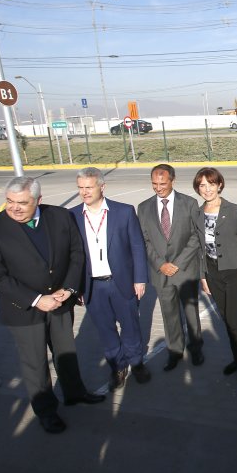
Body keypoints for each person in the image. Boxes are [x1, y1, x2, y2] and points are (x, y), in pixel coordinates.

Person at [0, 176, 105, 434]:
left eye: (22, 203)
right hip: (23, 309)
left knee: (66, 351)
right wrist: (36, 299)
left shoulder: (59, 216)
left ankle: (75, 393)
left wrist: (68, 289)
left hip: (60, 302)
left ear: (38, 200)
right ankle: (46, 411)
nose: (15, 208)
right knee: (35, 363)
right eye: (10, 202)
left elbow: (76, 254)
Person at [70, 167, 151, 391]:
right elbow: (72, 256)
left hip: (122, 282)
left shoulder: (124, 212)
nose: (84, 192)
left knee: (131, 326)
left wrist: (140, 278)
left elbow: (137, 246)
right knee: (105, 329)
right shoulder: (73, 215)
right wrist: (76, 288)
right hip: (92, 286)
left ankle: (137, 362)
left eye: (88, 187)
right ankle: (117, 366)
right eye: (80, 188)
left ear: (101, 187)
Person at [137, 164, 205, 371]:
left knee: (190, 311)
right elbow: (144, 240)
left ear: (172, 180)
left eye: (163, 183)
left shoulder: (189, 203)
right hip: (161, 273)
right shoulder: (143, 207)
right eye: (154, 184)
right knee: (169, 313)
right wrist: (160, 264)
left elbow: (196, 236)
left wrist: (178, 263)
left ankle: (196, 349)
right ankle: (175, 351)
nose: (158, 188)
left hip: (185, 270)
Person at [193, 168, 237, 386]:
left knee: (235, 321)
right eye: (202, 185)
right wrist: (202, 276)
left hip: (236, 271)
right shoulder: (197, 213)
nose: (207, 189)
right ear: (197, 188)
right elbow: (199, 248)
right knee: (227, 320)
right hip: (212, 272)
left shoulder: (235, 210)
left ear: (220, 185)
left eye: (211, 184)